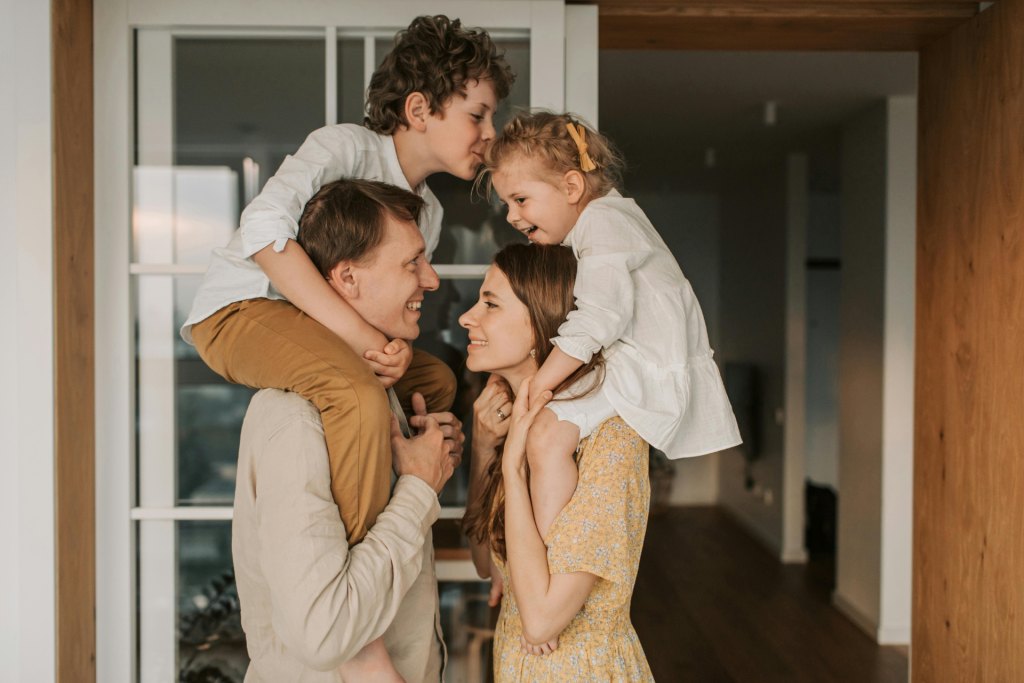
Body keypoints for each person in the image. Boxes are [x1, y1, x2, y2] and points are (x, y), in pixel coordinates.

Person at [182, 15, 515, 547]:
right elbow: (263, 230)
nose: (490, 134)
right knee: (355, 392)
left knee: (436, 385)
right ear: (418, 110)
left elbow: (383, 310)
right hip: (242, 311)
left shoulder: (427, 213)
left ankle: (391, 482)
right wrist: (366, 341)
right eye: (478, 114)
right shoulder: (344, 148)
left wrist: (395, 349)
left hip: (323, 331)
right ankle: (357, 572)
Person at [231, 178, 464, 682]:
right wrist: (418, 490)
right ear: (348, 278)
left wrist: (432, 460)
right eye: (412, 263)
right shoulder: (296, 420)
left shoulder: (381, 396)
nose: (432, 280)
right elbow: (325, 634)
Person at [478, 110, 742, 540]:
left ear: (571, 186)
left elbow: (598, 318)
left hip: (643, 365)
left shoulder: (603, 222)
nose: (511, 215)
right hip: (632, 359)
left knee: (545, 434)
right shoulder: (607, 220)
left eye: (520, 199)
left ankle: (547, 554)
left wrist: (537, 387)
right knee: (547, 433)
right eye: (506, 203)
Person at [461, 244, 654, 681]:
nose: (466, 317)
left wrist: (512, 468)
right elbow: (488, 565)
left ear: (540, 324)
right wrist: (485, 448)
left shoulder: (610, 437)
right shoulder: (515, 423)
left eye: (490, 304)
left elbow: (543, 620)